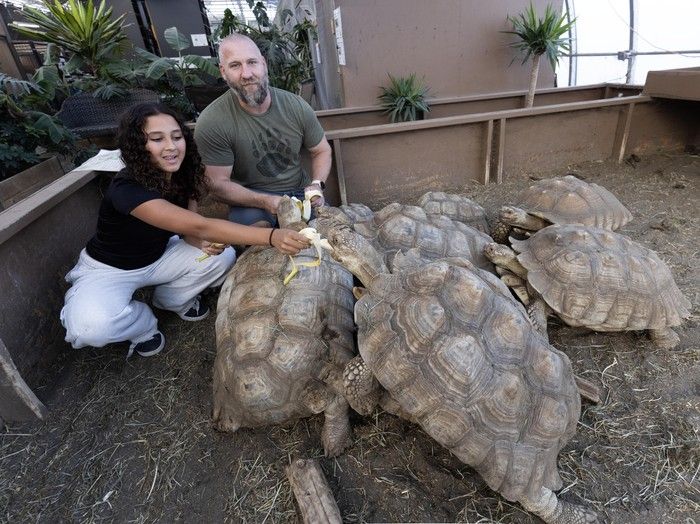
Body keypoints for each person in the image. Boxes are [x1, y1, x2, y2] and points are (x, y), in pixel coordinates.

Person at [60, 102, 310, 358]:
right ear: (138, 145)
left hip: (159, 255)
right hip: (110, 269)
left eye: (177, 137)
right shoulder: (126, 189)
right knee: (88, 328)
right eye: (157, 139)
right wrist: (271, 237)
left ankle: (171, 300)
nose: (171, 146)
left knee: (221, 257)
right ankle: (142, 326)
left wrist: (203, 244)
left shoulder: (183, 174)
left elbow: (190, 227)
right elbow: (200, 225)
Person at [194, 33, 332, 227]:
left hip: (300, 192)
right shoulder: (212, 121)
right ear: (223, 72)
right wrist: (265, 201)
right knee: (256, 234)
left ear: (264, 64)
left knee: (329, 229)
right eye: (235, 65)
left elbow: (321, 150)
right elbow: (217, 185)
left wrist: (317, 185)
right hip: (251, 200)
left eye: (252, 62)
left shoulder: (296, 105)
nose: (247, 74)